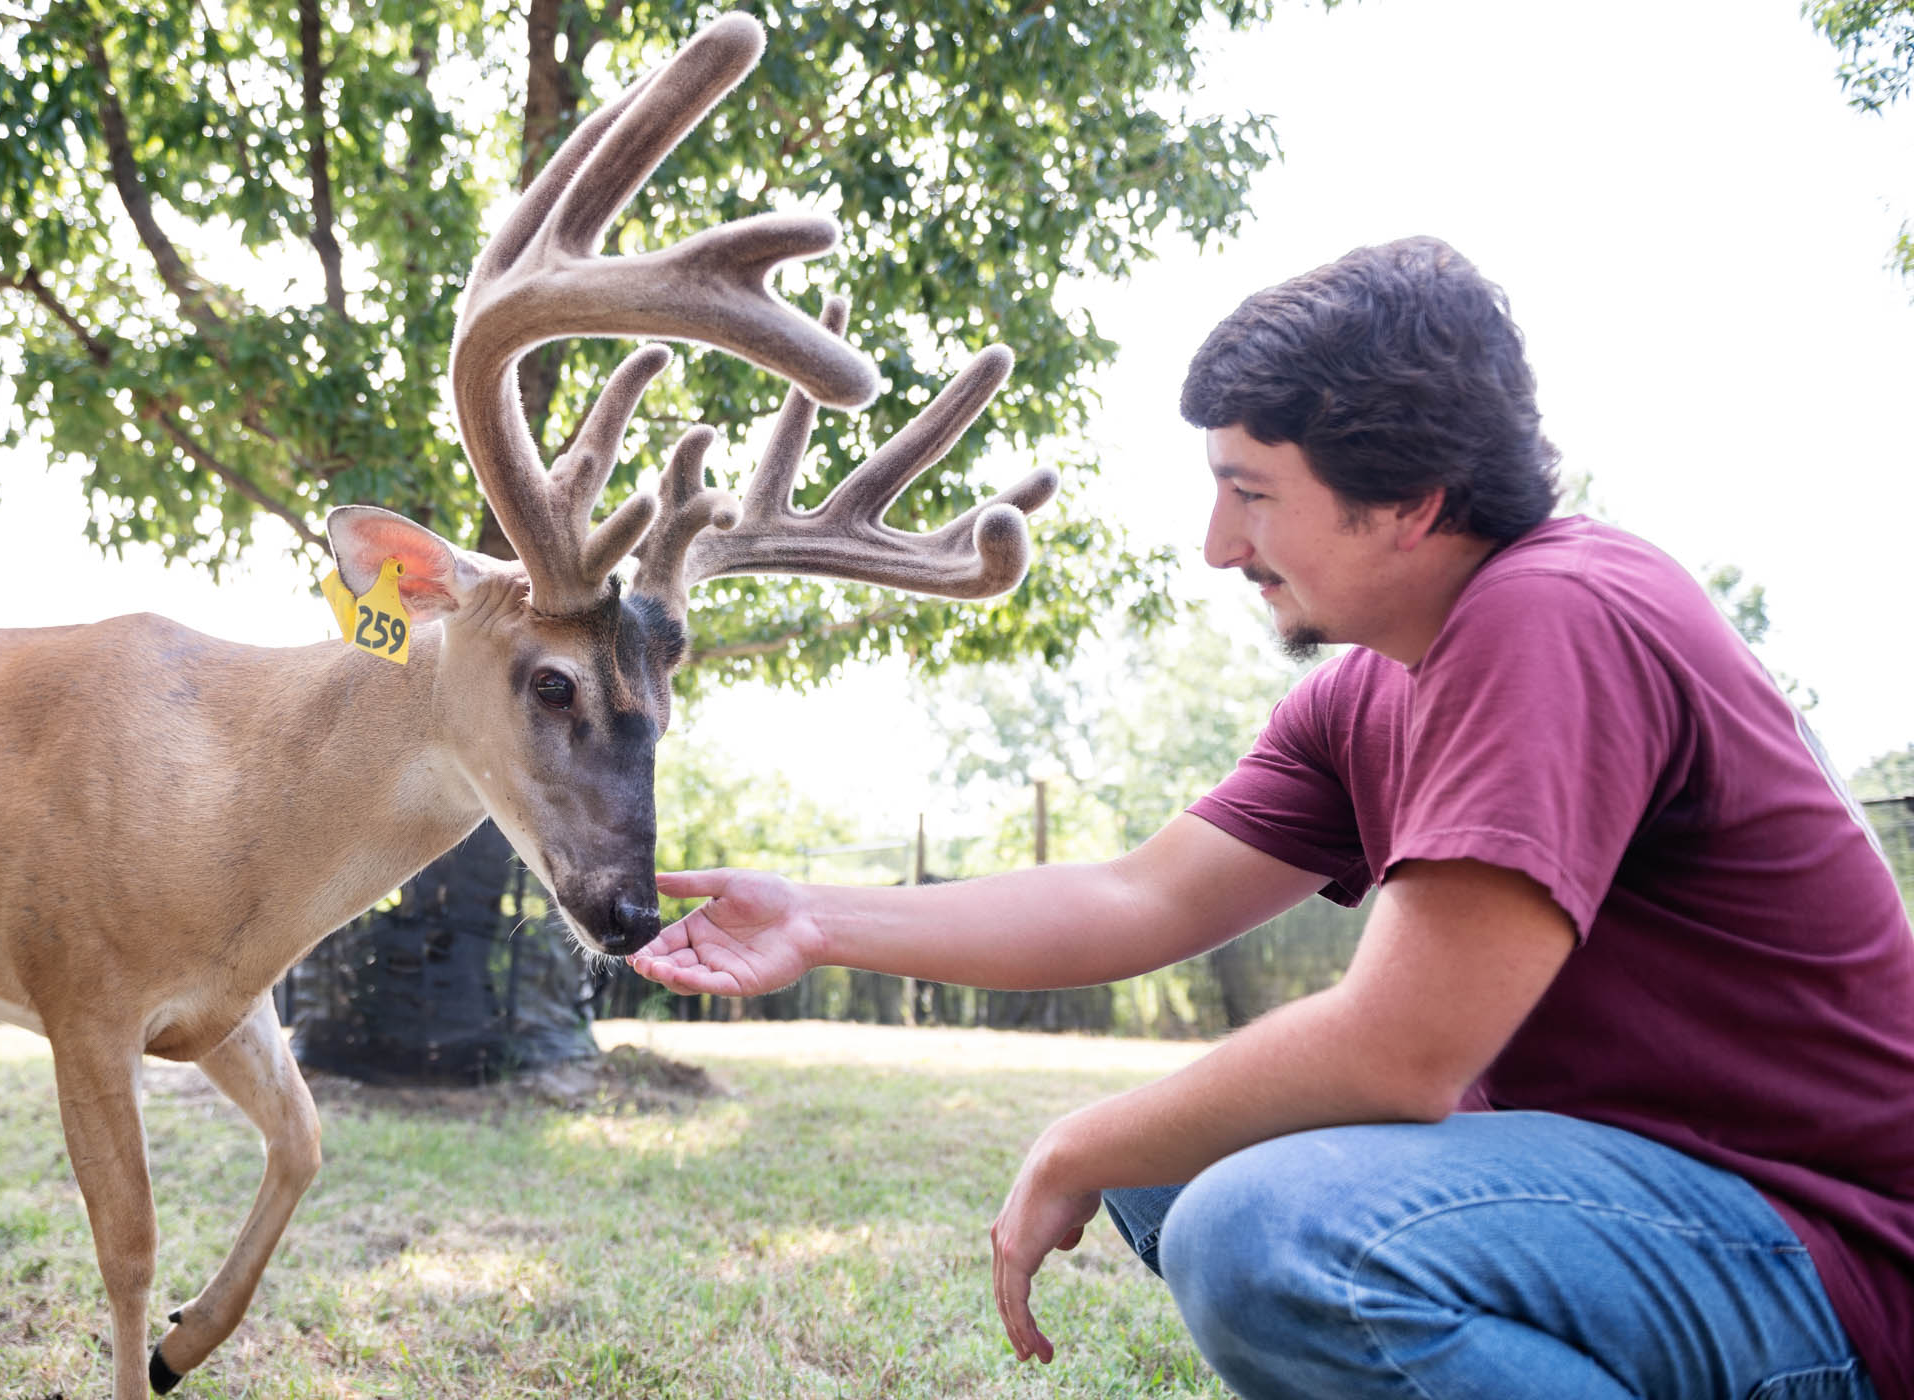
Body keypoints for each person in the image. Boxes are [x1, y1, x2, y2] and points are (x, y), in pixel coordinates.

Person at [627, 236, 1914, 1400]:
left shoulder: (1557, 614)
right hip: (1650, 1196)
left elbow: (1396, 1049)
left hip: (1831, 1255)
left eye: (1252, 494)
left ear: (1411, 499)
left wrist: (1079, 1132)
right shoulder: (1373, 687)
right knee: (1174, 1167)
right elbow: (1143, 896)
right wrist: (813, 916)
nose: (1215, 545)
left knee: (1262, 1227)